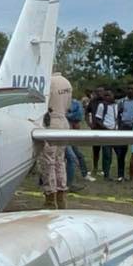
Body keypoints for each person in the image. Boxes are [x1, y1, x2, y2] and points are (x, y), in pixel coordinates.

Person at [38, 72, 73, 208]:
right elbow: (68, 105)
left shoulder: (48, 82)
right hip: (63, 121)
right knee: (60, 160)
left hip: (51, 121)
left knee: (48, 161)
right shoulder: (66, 82)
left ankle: (50, 196)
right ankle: (61, 195)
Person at [90, 88, 122, 181]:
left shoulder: (116, 106)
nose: (107, 97)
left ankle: (120, 174)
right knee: (107, 154)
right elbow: (98, 119)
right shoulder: (102, 105)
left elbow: (118, 117)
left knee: (119, 153)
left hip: (115, 132)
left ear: (113, 96)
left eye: (109, 95)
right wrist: (105, 128)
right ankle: (106, 174)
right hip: (106, 132)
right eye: (106, 95)